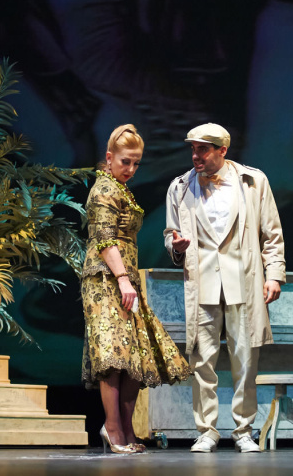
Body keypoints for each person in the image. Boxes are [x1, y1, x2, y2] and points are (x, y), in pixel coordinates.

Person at [164, 123, 285, 453]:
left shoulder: (253, 181)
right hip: (202, 281)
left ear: (222, 150)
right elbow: (170, 235)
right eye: (193, 149)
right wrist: (177, 247)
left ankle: (243, 430)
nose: (195, 156)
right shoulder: (179, 187)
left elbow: (272, 234)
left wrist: (274, 274)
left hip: (242, 281)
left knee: (245, 360)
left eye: (203, 149)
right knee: (201, 360)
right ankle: (207, 430)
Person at [81, 124, 190, 454]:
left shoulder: (121, 189)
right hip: (105, 280)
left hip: (125, 278)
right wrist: (122, 278)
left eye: (136, 163)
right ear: (109, 157)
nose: (130, 168)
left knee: (134, 355)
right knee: (113, 356)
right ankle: (112, 428)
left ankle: (127, 430)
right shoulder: (103, 189)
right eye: (125, 161)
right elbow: (104, 239)